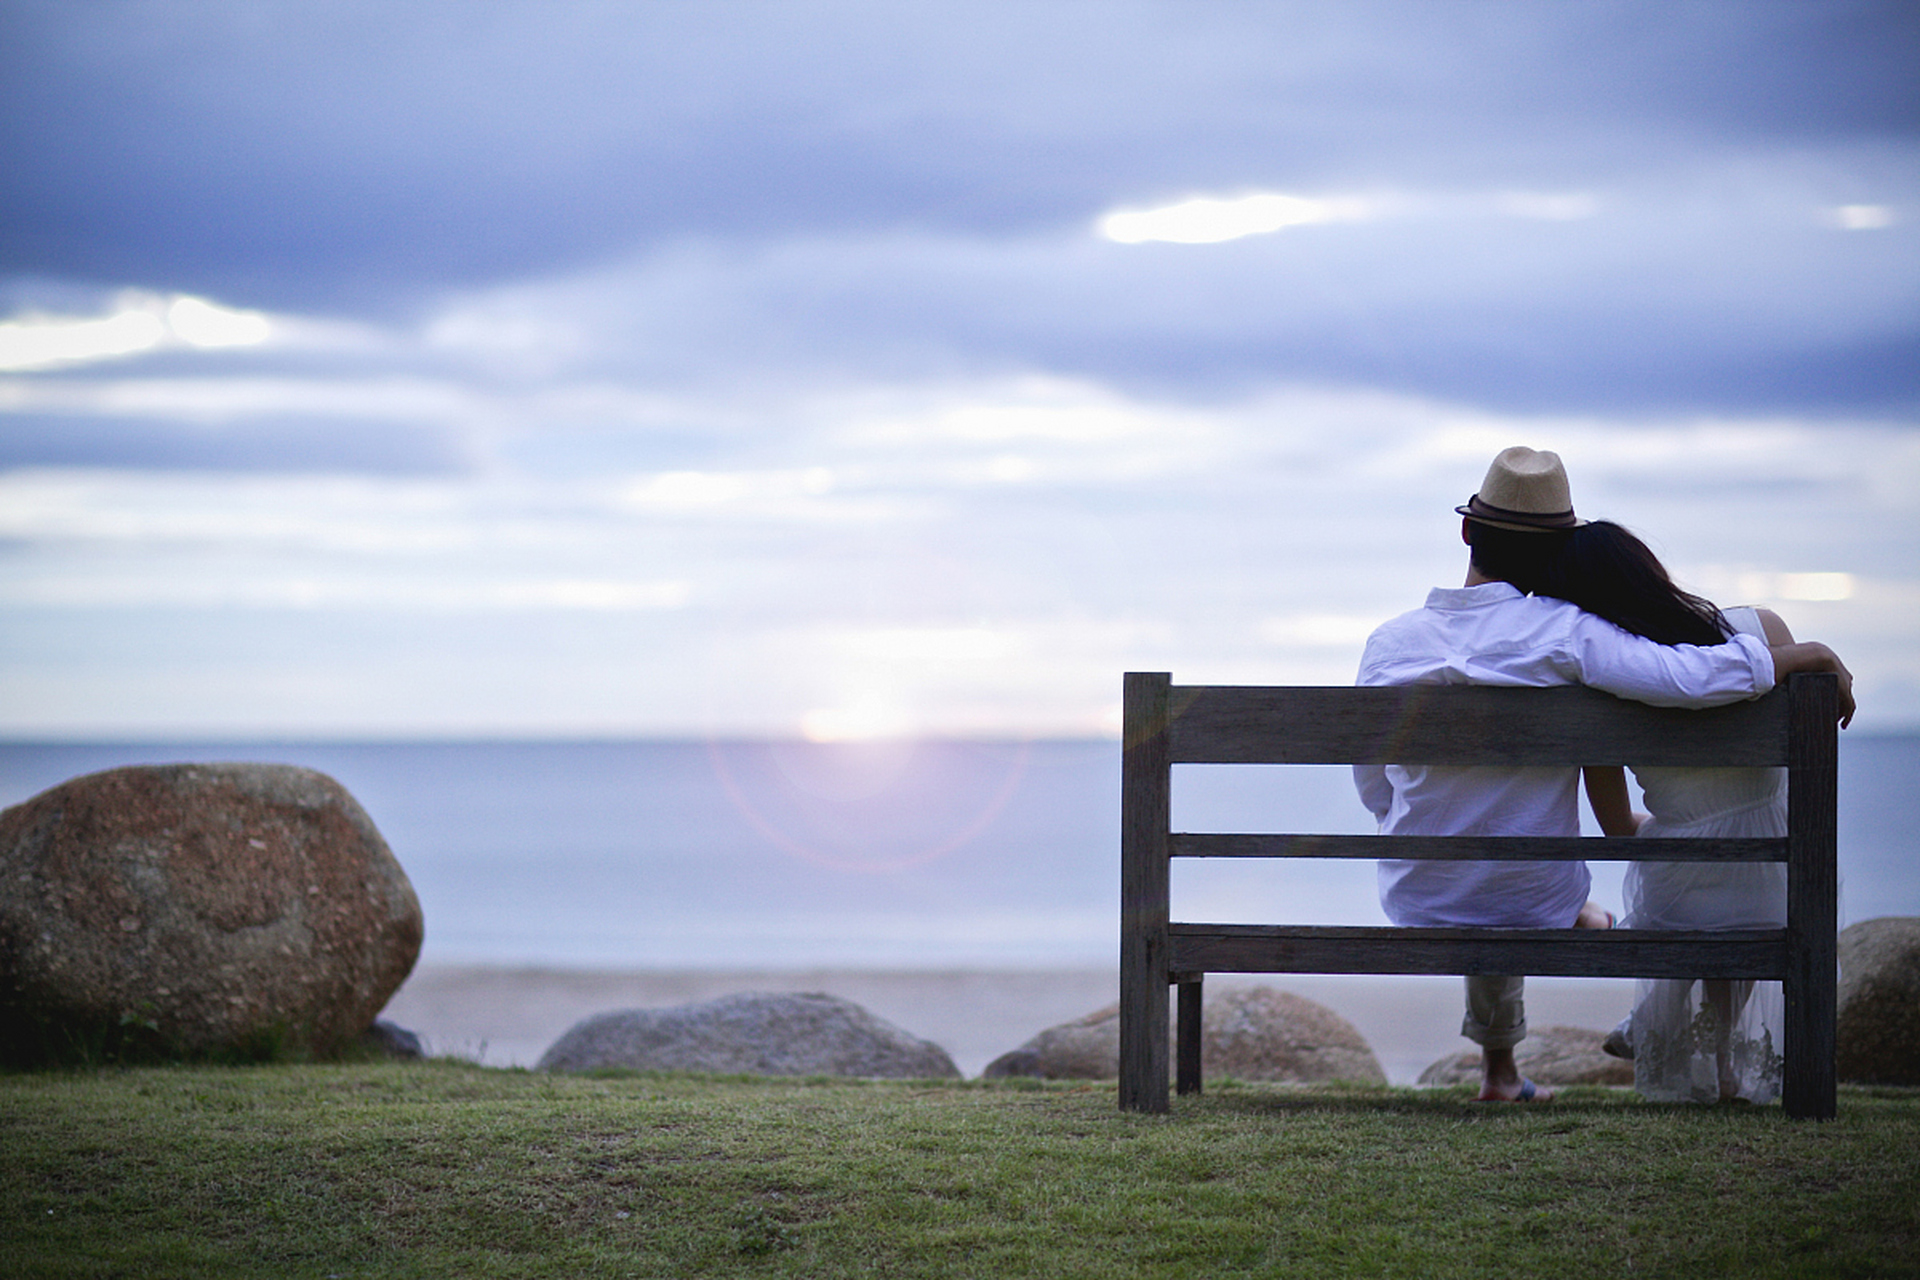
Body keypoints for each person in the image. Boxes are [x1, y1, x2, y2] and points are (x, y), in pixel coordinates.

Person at [1353, 446, 1854, 1102]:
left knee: (1483, 858)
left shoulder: (1389, 644)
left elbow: (1372, 781)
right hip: (1533, 899)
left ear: (1467, 531)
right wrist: (1798, 654)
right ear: (1558, 549)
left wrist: (1401, 825)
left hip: (1416, 897)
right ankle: (1575, 950)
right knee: (1523, 882)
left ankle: (1502, 1069)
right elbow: (1682, 676)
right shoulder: (1565, 631)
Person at [1540, 519, 1853, 1103]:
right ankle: (1722, 1059)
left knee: (1674, 856)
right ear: (1649, 570)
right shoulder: (1762, 630)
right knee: (1743, 846)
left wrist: (1683, 829)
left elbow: (1617, 829)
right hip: (1781, 880)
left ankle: (1674, 1040)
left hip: (1684, 890)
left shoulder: (1599, 685)